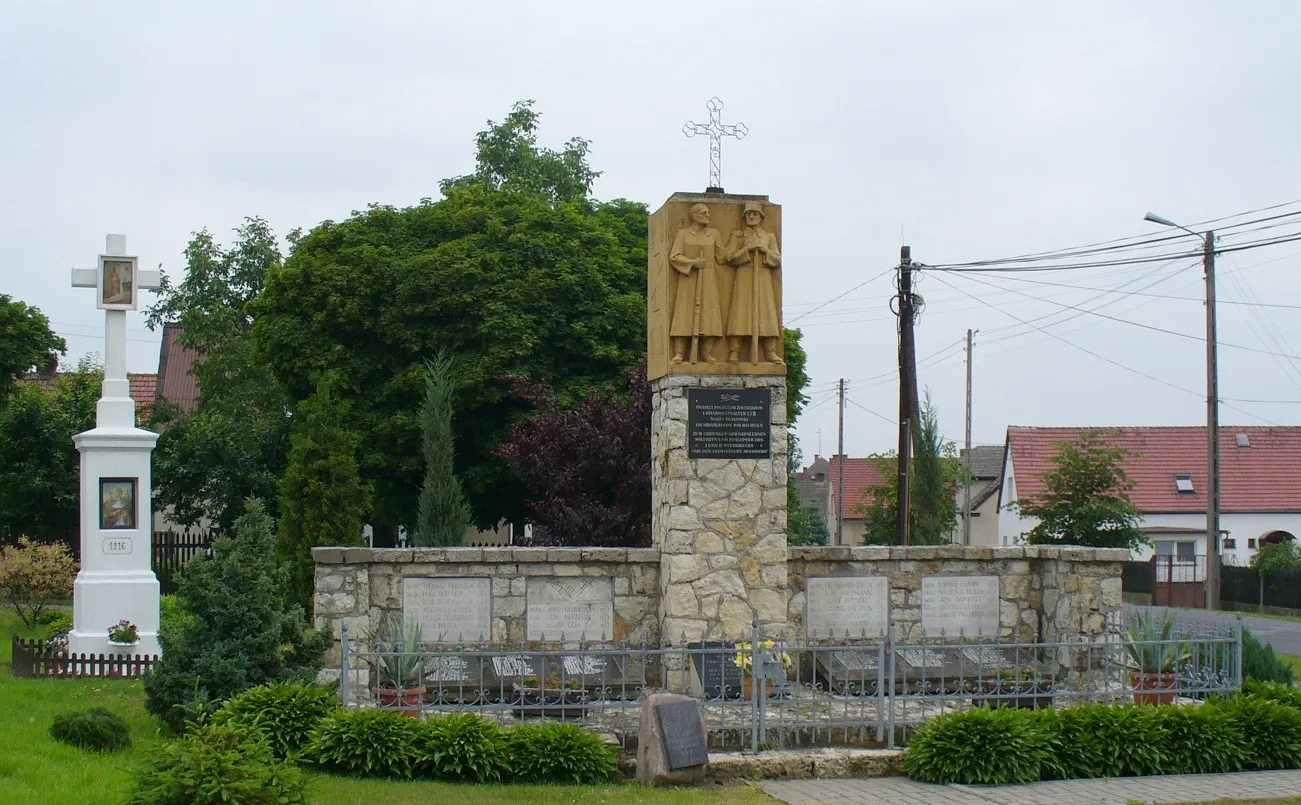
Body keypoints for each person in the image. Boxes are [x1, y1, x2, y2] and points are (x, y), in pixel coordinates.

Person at [668, 203, 727, 363]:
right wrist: (692, 262)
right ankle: (680, 352)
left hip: (708, 277)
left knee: (709, 314)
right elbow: (674, 256)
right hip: (689, 277)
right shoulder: (683, 234)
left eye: (708, 212)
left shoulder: (714, 234)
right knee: (684, 313)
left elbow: (722, 258)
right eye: (703, 213)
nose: (707, 215)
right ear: (694, 216)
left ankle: (706, 353)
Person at [725, 201, 782, 363]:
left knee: (766, 313)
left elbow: (777, 259)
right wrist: (747, 249)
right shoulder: (738, 235)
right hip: (744, 275)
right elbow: (729, 257)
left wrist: (765, 250)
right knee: (740, 313)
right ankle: (734, 352)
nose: (751, 216)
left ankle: (770, 351)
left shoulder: (769, 237)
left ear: (761, 217)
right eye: (748, 214)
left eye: (754, 214)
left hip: (762, 277)